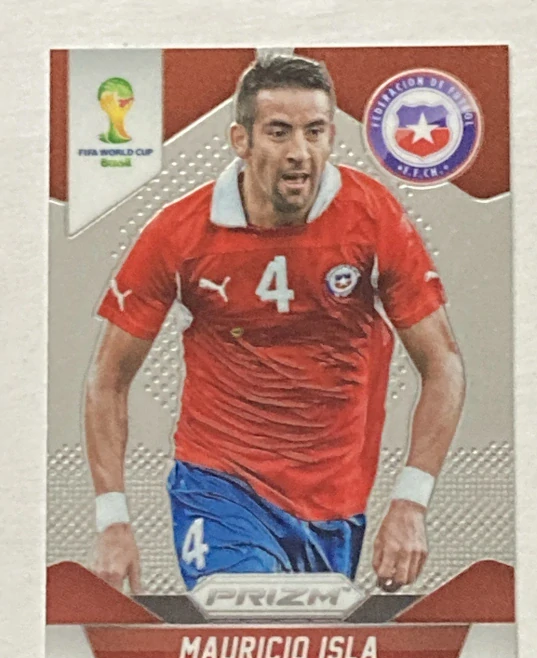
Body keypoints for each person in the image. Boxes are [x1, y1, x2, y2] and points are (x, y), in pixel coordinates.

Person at [86, 54, 465, 595]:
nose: (299, 153)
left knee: (295, 645)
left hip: (335, 500)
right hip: (219, 485)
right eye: (279, 132)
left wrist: (410, 502)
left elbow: (443, 364)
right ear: (241, 140)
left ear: (332, 137)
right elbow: (107, 379)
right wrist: (112, 521)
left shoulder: (372, 217)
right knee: (250, 616)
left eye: (315, 132)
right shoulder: (179, 233)